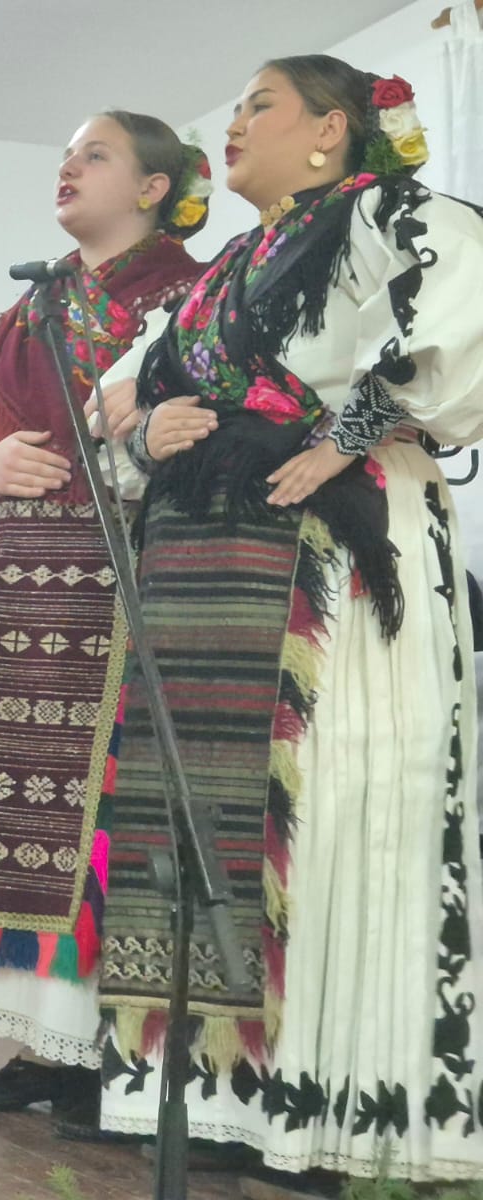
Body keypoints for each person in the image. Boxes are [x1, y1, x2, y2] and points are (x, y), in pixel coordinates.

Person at [95, 58, 483, 1181]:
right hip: (209, 560)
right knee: (203, 815)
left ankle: (336, 1099)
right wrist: (150, 428)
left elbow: (450, 329)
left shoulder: (393, 213)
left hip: (335, 552)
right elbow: (122, 394)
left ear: (330, 128)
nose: (234, 122)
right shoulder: (225, 269)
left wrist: (347, 433)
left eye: (259, 103)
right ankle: (224, 1096)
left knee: (338, 801)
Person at [0, 113, 208, 1123]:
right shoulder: (23, 311)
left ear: (156, 188)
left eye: (95, 154)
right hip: (15, 584)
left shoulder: (192, 294)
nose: (68, 168)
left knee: (110, 816)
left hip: (129, 582)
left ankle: (109, 1056)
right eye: (66, 155)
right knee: (9, 809)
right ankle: (43, 1043)